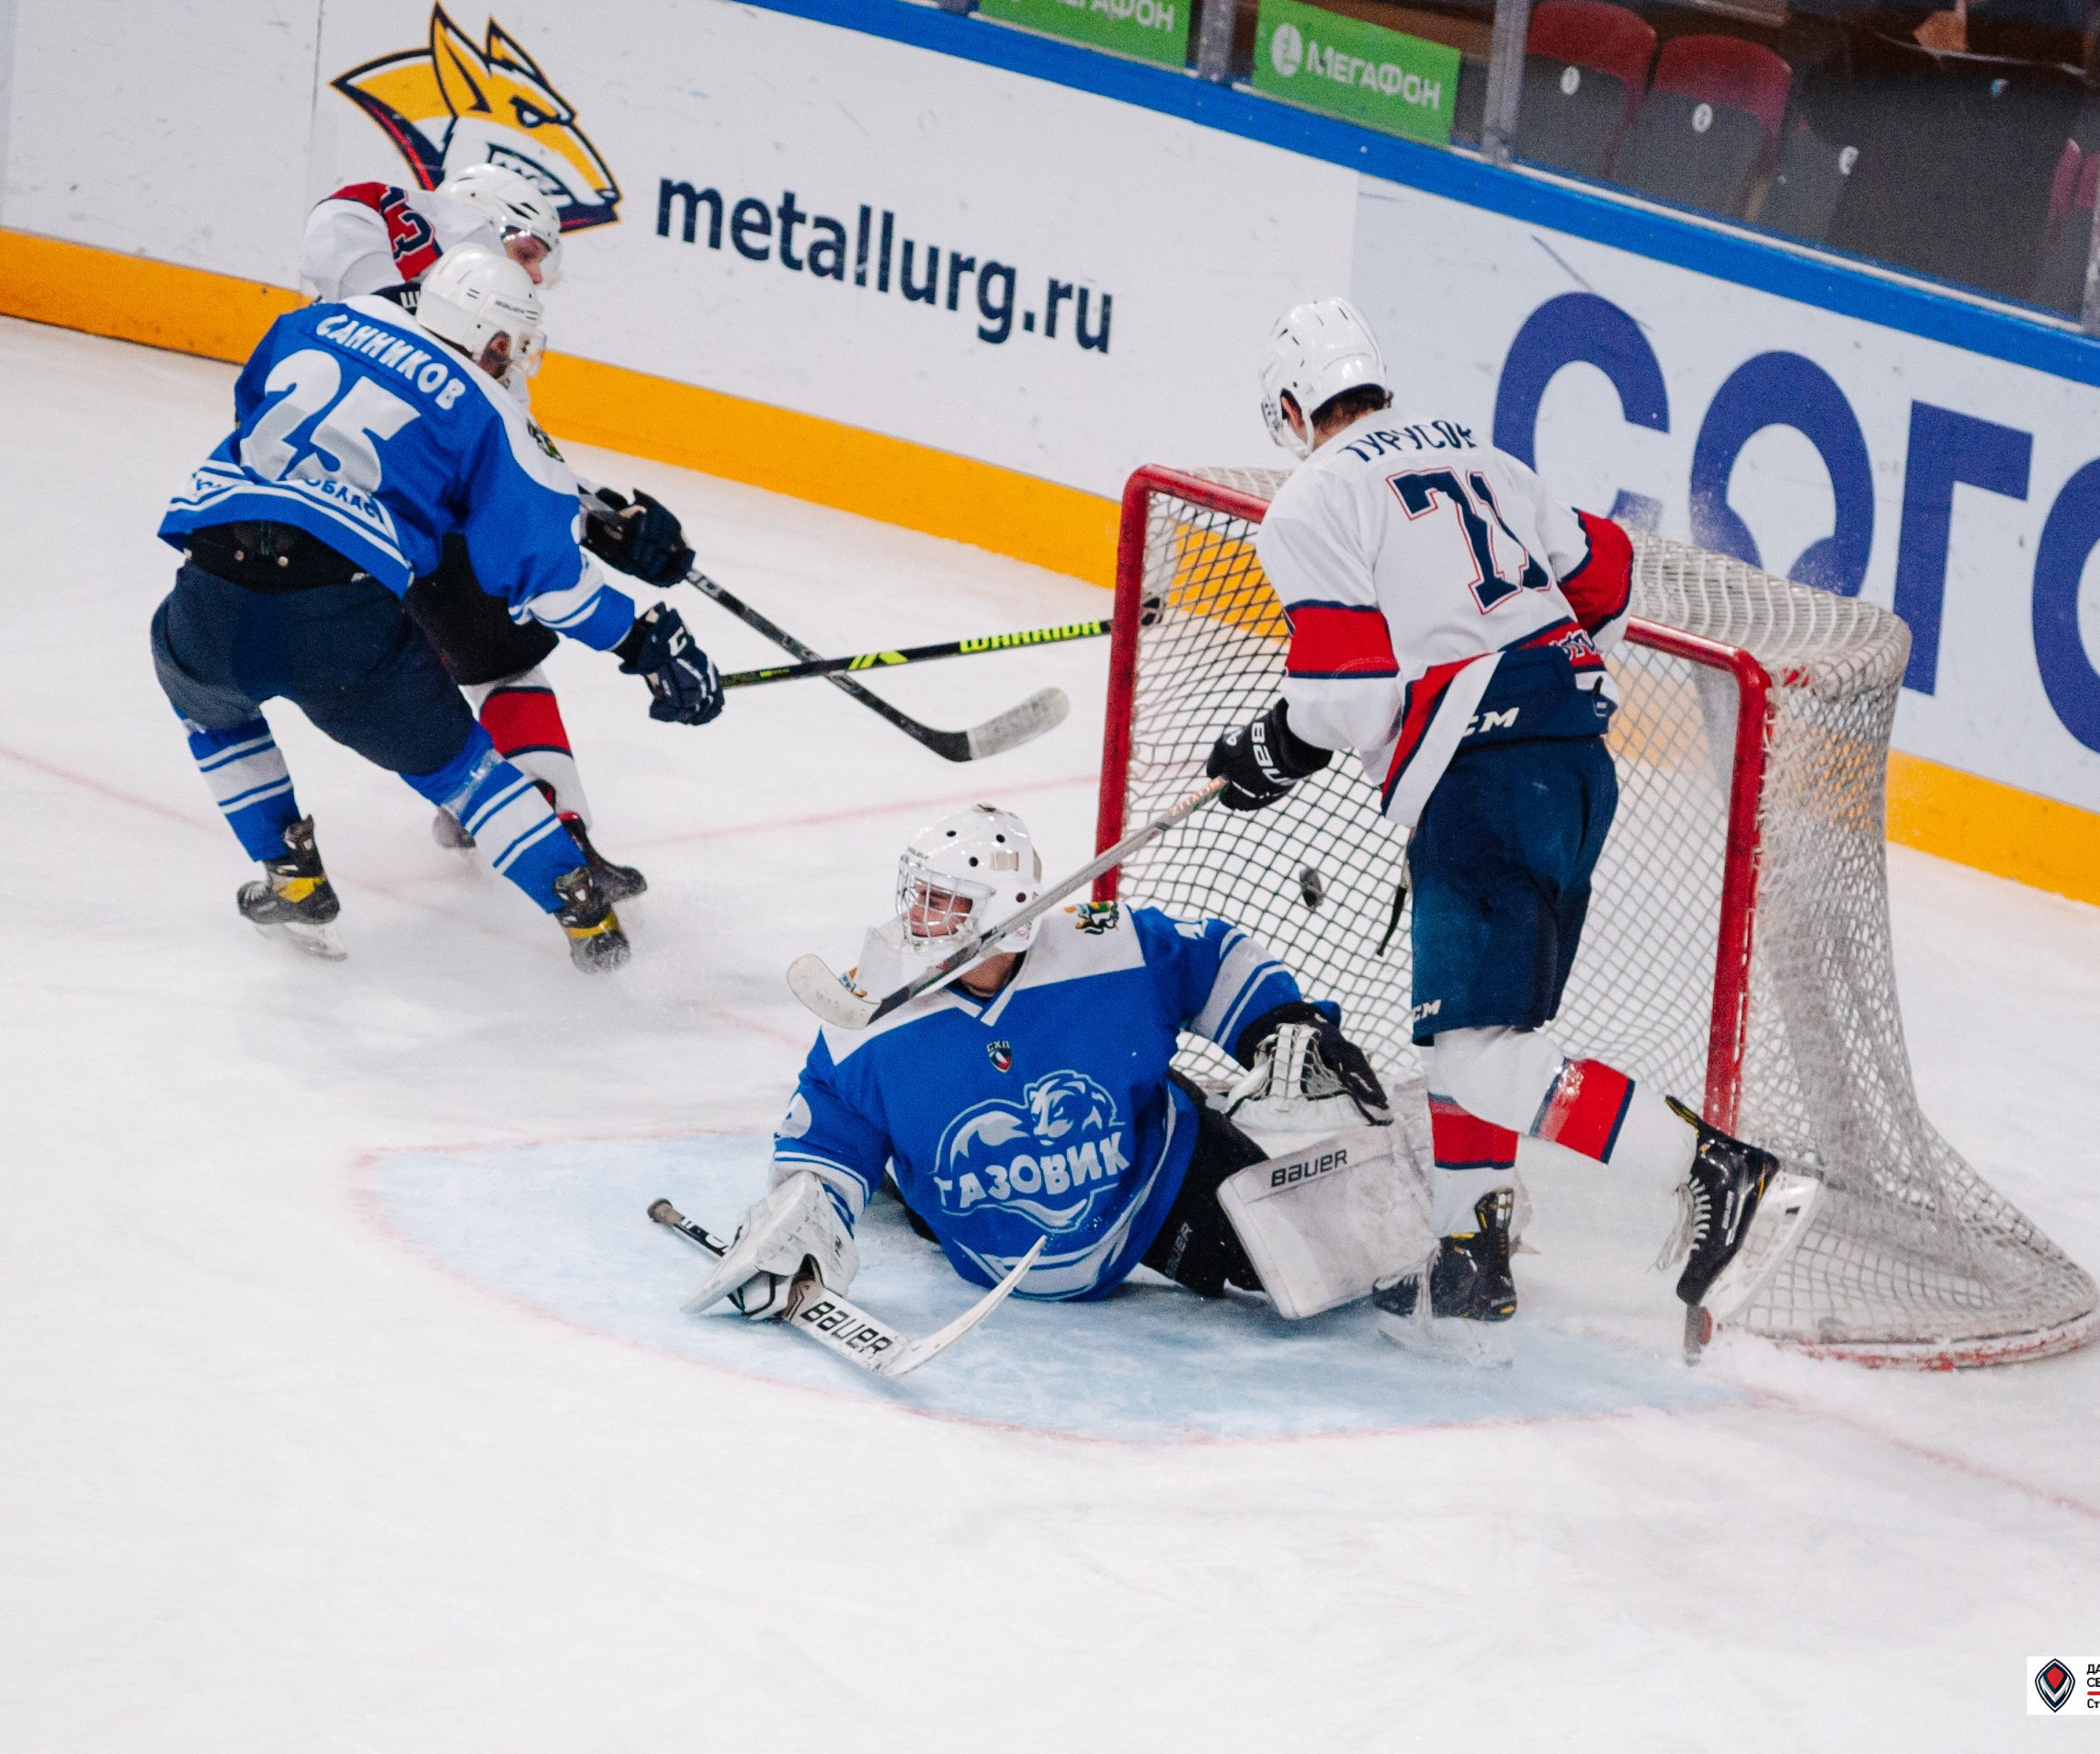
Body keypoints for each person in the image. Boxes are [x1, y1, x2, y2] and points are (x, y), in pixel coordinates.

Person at [1201, 297, 1784, 1347]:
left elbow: (1350, 699)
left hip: (1481, 779)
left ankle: (1712, 1173)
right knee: (1481, 1035)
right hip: (1572, 763)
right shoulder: (1483, 454)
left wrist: (1266, 751)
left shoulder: (1311, 499)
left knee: (1476, 1060)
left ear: (1294, 407)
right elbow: (1604, 573)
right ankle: (1473, 1255)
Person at [151, 245, 723, 971]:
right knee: (465, 772)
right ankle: (577, 904)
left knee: (209, 706)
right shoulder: (489, 410)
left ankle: (291, 875)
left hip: (210, 589)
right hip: (339, 616)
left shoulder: (317, 322)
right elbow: (544, 580)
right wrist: (638, 639)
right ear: (492, 340)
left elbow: (256, 410)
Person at [680, 805, 1391, 1317]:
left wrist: (1278, 1026)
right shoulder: (868, 1010)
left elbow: (1211, 957)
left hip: (1151, 1180)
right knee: (896, 1149)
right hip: (971, 1218)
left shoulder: (1107, 949)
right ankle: (903, 1187)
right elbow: (828, 1128)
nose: (914, 918)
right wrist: (800, 1223)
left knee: (1319, 1256)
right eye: (918, 897)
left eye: (941, 902)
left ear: (1004, 918)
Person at [301, 162, 695, 899]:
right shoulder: (468, 314)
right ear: (478, 221)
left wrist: (606, 510)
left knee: (422, 673)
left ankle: (486, 809)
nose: (536, 277)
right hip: (418, 532)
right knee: (501, 664)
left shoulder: (372, 300)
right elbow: (495, 479)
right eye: (528, 251)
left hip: (319, 525)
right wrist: (598, 533)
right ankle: (555, 836)